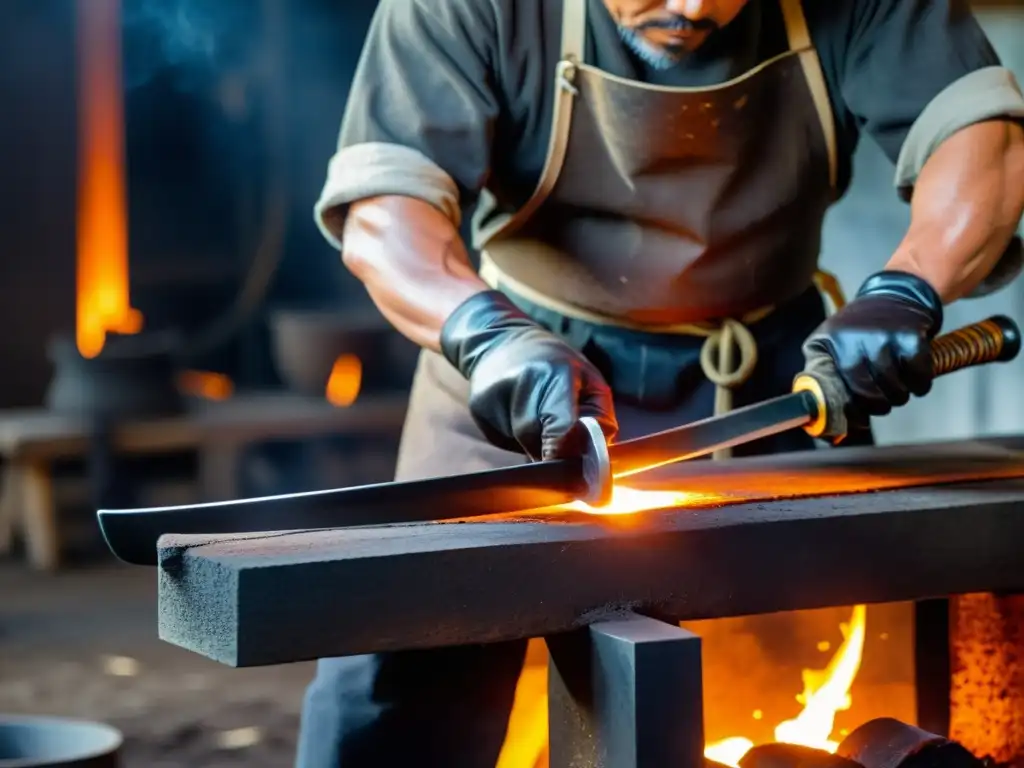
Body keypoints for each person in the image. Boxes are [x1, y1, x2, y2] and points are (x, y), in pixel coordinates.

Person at [298, 0, 1024, 764]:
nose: (687, 6)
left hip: (775, 396)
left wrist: (908, 287)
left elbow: (984, 138)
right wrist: (482, 333)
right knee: (400, 682)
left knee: (830, 676)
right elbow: (386, 209)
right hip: (516, 390)